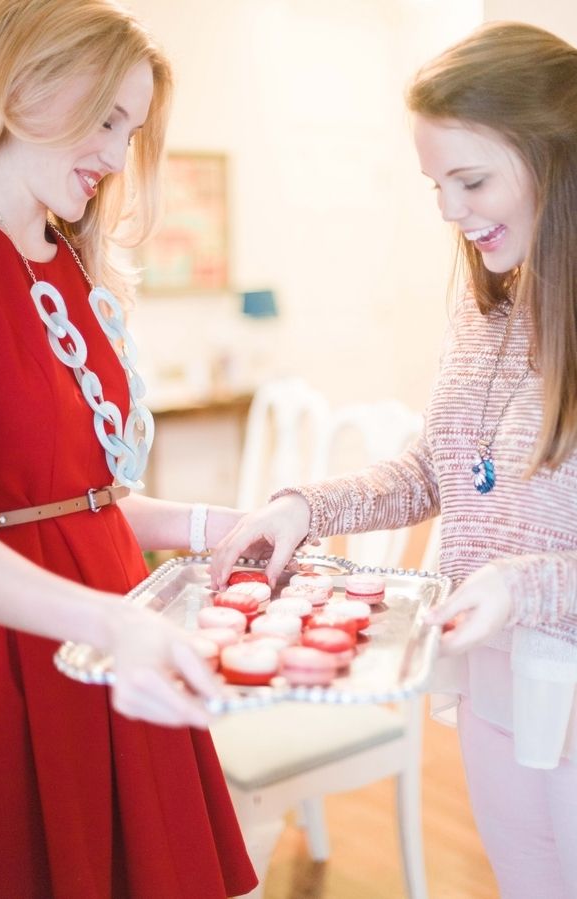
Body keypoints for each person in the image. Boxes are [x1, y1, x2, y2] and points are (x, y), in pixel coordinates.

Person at [211, 20, 577, 899]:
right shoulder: (486, 315)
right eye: (436, 184)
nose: (450, 212)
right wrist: (304, 506)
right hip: (500, 685)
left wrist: (522, 583)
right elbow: (435, 471)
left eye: (473, 179)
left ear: (557, 159)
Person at [0, 0, 257, 896]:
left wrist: (218, 523)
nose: (116, 153)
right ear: (23, 85)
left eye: (130, 130)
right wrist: (109, 623)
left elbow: (77, 497)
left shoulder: (71, 262)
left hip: (118, 633)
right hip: (21, 652)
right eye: (106, 118)